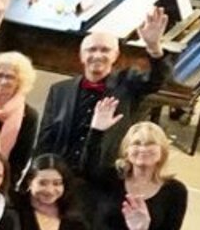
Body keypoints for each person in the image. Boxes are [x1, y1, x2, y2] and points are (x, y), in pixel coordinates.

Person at [74, 106, 187, 230]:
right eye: (136, 144)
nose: (142, 149)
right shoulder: (112, 178)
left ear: (162, 151)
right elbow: (86, 170)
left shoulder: (175, 192)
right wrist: (97, 131)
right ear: (126, 150)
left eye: (150, 144)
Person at [35, 10, 169, 169]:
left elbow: (157, 80)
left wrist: (154, 47)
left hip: (106, 174)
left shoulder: (128, 83)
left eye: (105, 50)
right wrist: (37, 171)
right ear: (81, 55)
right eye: (91, 50)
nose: (97, 55)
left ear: (116, 55)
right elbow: (45, 137)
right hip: (64, 174)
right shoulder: (60, 90)